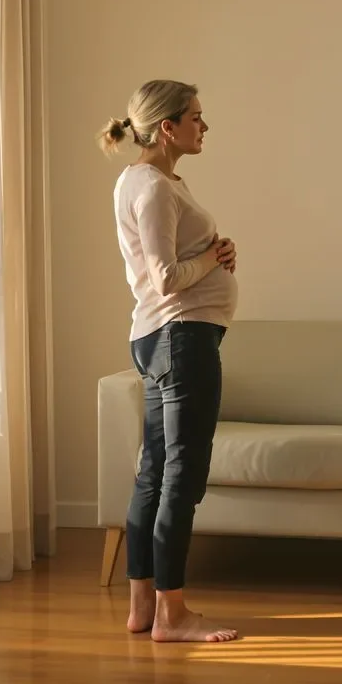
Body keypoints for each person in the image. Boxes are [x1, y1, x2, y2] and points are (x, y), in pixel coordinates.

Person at [98, 79, 240, 644]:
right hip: (180, 339)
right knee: (182, 474)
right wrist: (212, 257)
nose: (204, 127)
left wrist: (212, 256)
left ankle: (143, 608)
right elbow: (165, 277)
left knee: (156, 471)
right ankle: (172, 615)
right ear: (168, 127)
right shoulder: (152, 187)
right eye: (197, 117)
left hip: (168, 337)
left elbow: (172, 266)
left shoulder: (147, 182)